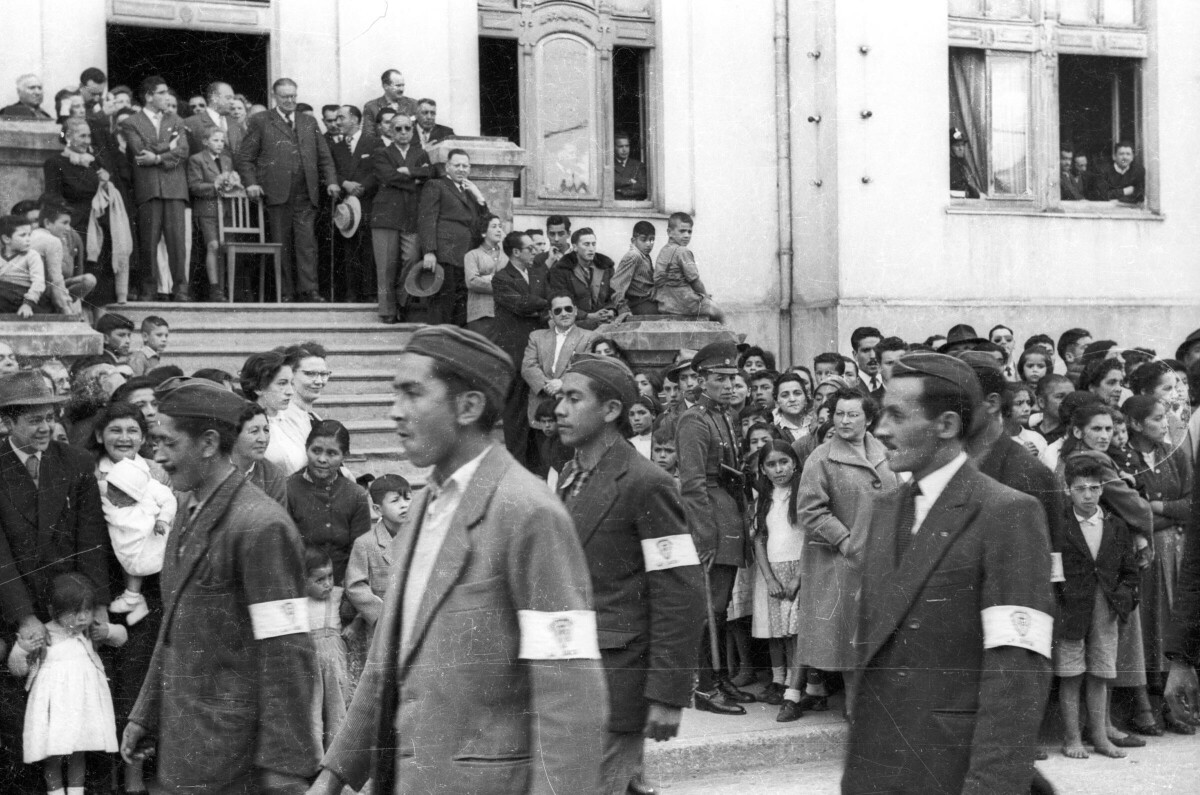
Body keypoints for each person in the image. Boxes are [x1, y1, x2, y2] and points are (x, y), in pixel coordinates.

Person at [310, 325, 607, 794]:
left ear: (468, 407)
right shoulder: (423, 509)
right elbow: (385, 665)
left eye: (412, 393)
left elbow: (570, 692)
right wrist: (333, 777)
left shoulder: (528, 513)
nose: (394, 411)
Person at [843, 352, 1053, 795]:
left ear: (947, 426)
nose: (880, 429)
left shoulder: (1007, 512)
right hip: (879, 771)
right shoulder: (883, 511)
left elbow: (1016, 672)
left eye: (897, 415)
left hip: (951, 773)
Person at [120, 376, 320, 793]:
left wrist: (286, 763)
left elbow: (288, 651)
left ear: (209, 443)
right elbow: (174, 628)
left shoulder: (261, 525)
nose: (157, 454)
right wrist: (145, 713)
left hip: (236, 756)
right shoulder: (185, 510)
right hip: (188, 744)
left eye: (168, 443)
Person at [554, 354, 704, 795]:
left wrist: (667, 694)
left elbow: (680, 593)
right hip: (572, 680)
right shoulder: (570, 476)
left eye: (573, 398)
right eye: (560, 396)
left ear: (611, 410)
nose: (559, 409)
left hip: (617, 683)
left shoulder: (646, 482)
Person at [0, 371, 109, 792]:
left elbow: (91, 539)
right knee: (23, 720)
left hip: (70, 606)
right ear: (9, 422)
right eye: (33, 420)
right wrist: (24, 617)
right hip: (15, 606)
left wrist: (94, 605)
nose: (45, 427)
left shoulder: (76, 462)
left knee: (76, 715)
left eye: (49, 417)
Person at [790, 388, 894, 722]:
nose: (844, 421)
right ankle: (855, 710)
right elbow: (810, 509)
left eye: (853, 414)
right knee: (850, 639)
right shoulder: (821, 457)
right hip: (843, 562)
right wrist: (846, 541)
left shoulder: (885, 451)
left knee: (880, 636)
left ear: (869, 419)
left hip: (885, 558)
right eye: (839, 414)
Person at [677, 341, 754, 714]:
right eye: (719, 378)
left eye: (732, 377)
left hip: (729, 512)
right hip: (711, 519)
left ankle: (720, 678)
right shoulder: (694, 420)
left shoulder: (724, 415)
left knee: (721, 606)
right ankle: (705, 689)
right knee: (711, 606)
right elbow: (692, 483)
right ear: (701, 380)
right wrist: (703, 536)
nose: (728, 384)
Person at [1053, 454, 1140, 759]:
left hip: (1105, 604)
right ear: (1068, 491)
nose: (1088, 495)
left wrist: (1125, 598)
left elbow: (1130, 570)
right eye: (1080, 489)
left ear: (1103, 488)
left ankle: (1100, 736)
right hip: (1070, 606)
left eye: (1093, 488)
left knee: (1100, 672)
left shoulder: (1115, 525)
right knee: (1071, 672)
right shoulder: (1059, 524)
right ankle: (1072, 737)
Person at [9, 572, 125, 795]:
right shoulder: (43, 634)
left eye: (87, 611)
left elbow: (121, 638)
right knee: (53, 754)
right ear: (54, 610)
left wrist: (108, 630)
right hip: (55, 707)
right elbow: (19, 669)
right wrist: (22, 649)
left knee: (78, 751)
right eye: (75, 612)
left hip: (82, 707)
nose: (82, 618)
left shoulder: (89, 631)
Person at [1124, 394, 1195, 734]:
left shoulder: (1175, 455)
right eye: (1155, 418)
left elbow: (1193, 505)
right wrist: (1153, 513)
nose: (1164, 424)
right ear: (1135, 424)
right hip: (1147, 555)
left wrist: (1157, 509)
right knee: (1149, 623)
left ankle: (1175, 705)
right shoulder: (1126, 458)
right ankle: (1147, 705)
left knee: (1174, 618)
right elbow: (1130, 510)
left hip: (1178, 550)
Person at [237, 78, 341, 303]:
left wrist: (331, 180)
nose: (290, 100)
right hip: (276, 193)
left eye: (293, 95)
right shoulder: (261, 121)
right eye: (285, 96)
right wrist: (251, 183)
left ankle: (309, 290)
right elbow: (245, 157)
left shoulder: (308, 121)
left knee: (307, 243)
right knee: (281, 243)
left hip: (306, 193)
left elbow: (324, 156)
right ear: (274, 97)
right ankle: (286, 292)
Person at [119, 76, 191, 302]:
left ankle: (181, 289)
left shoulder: (177, 120)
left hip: (175, 189)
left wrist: (158, 157)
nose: (166, 97)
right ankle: (147, 289)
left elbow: (183, 152)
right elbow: (140, 153)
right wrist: (168, 146)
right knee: (148, 242)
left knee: (177, 242)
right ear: (149, 96)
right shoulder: (132, 122)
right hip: (148, 188)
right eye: (161, 92)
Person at [749, 441, 804, 708]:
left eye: (784, 462)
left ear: (794, 463)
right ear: (763, 469)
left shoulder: (803, 493)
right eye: (771, 464)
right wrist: (770, 578)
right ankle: (782, 682)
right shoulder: (764, 499)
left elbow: (810, 538)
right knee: (779, 631)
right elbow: (759, 539)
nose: (779, 469)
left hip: (800, 569)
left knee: (797, 632)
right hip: (775, 572)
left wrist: (799, 577)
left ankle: (799, 686)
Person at [285, 420, 371, 584]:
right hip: (298, 586)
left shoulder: (356, 495)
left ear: (344, 456)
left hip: (343, 588)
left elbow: (360, 553)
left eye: (332, 453)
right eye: (316, 451)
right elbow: (283, 549)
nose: (322, 459)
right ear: (306, 449)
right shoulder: (288, 489)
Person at [492, 230, 550, 467]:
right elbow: (520, 304)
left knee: (539, 408)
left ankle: (538, 466)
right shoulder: (502, 278)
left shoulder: (537, 274)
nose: (534, 251)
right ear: (516, 252)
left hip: (538, 352)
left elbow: (545, 300)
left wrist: (538, 306)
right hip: (515, 354)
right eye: (529, 248)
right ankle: (517, 465)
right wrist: (542, 306)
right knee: (515, 412)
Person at [415, 148, 488, 325]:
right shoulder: (436, 185)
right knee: (442, 302)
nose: (461, 169)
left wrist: (479, 198)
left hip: (466, 254)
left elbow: (484, 222)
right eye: (457, 165)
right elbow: (427, 219)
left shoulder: (469, 191)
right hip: (445, 253)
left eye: (465, 166)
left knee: (461, 303)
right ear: (447, 167)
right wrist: (429, 251)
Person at [101, 454, 174, 626]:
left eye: (122, 498)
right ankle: (134, 598)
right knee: (128, 561)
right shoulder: (107, 483)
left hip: (151, 536)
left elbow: (170, 501)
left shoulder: (153, 487)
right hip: (126, 537)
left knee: (143, 564)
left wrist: (163, 519)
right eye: (112, 492)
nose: (114, 499)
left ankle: (138, 599)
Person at [371, 112, 430, 322]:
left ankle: (402, 301)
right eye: (398, 128)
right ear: (390, 131)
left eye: (407, 128)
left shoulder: (421, 153)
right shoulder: (381, 153)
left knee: (412, 258)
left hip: (412, 215)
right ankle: (387, 310)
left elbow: (431, 173)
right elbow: (387, 176)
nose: (403, 132)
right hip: (386, 215)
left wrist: (409, 172)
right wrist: (415, 178)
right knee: (386, 265)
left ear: (412, 131)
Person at [345, 474, 411, 635]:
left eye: (407, 499)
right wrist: (384, 616)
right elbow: (355, 587)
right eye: (395, 501)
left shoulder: (421, 536)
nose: (404, 506)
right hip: (384, 627)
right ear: (377, 509)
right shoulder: (366, 543)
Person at [521, 293, 596, 427]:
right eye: (558, 310)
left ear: (575, 310)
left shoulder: (590, 337)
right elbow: (528, 367)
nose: (564, 313)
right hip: (542, 407)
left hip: (572, 407)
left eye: (568, 309)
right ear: (551, 314)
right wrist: (548, 387)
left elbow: (586, 368)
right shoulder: (536, 337)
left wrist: (562, 384)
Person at [329, 104, 379, 303]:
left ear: (355, 120)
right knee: (348, 248)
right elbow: (331, 170)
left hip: (367, 202)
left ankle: (368, 293)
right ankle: (351, 294)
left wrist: (362, 187)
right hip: (346, 206)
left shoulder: (373, 143)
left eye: (341, 117)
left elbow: (378, 169)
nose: (337, 122)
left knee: (367, 248)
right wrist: (345, 183)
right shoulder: (336, 147)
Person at [303, 546, 351, 750]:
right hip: (310, 664)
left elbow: (356, 613)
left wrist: (354, 626)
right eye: (319, 580)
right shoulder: (299, 602)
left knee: (337, 710)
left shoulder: (339, 597)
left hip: (335, 665)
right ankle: (315, 757)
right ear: (302, 581)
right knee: (312, 711)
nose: (328, 584)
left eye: (330, 577)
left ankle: (335, 758)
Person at [187, 126, 240, 300]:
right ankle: (214, 287)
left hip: (225, 209)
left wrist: (232, 183)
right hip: (207, 209)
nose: (219, 144)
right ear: (205, 142)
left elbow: (230, 182)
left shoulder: (226, 159)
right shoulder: (197, 159)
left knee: (226, 247)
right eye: (215, 140)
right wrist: (215, 185)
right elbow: (194, 186)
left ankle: (227, 288)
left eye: (222, 141)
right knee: (213, 245)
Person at [240, 350, 307, 475]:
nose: (290, 391)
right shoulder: (243, 424)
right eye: (282, 383)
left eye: (291, 383)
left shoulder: (297, 418)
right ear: (258, 387)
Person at [654, 212, 724, 322]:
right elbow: (695, 281)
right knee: (717, 310)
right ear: (669, 232)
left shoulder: (663, 250)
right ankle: (728, 337)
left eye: (689, 231)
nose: (687, 235)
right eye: (682, 231)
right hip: (682, 302)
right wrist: (706, 297)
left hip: (664, 302)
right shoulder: (683, 251)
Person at [28, 203, 94, 314]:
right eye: (64, 223)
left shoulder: (34, 234)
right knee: (59, 287)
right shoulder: (52, 240)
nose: (68, 229)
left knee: (88, 279)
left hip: (37, 286)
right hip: (37, 289)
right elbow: (56, 278)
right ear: (47, 223)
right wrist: (67, 307)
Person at [549, 227, 617, 329]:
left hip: (604, 322)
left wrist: (611, 310)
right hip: (575, 323)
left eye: (593, 244)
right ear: (575, 247)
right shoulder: (561, 270)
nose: (591, 248)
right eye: (586, 244)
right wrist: (587, 316)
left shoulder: (606, 267)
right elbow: (560, 301)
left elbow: (614, 295)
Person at [232, 402, 288, 504]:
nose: (263, 439)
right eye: (254, 431)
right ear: (234, 435)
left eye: (266, 430)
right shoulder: (216, 469)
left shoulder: (273, 476)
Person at [463, 214, 505, 336]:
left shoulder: (506, 255)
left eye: (500, 226)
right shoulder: (472, 255)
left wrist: (487, 278)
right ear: (483, 232)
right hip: (480, 314)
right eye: (494, 226)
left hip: (503, 313)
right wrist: (499, 281)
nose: (499, 229)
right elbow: (472, 282)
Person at [0, 215, 47, 316]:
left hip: (24, 296)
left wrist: (28, 304)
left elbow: (38, 282)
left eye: (29, 234)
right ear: (6, 239)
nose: (28, 239)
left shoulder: (32, 255)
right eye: (23, 235)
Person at [182, 81, 243, 159]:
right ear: (214, 98)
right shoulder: (191, 123)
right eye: (228, 98)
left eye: (233, 98)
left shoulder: (236, 124)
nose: (232, 102)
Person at [610, 220, 658, 315]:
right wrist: (622, 309)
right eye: (643, 239)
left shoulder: (645, 255)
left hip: (648, 299)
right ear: (633, 240)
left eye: (652, 239)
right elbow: (617, 284)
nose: (649, 244)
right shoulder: (634, 256)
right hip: (638, 303)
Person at [361, 69, 420, 140]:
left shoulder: (414, 104)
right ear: (385, 86)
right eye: (398, 86)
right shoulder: (371, 107)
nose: (402, 89)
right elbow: (368, 137)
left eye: (403, 85)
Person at [772, 371, 812, 444]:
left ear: (806, 397)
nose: (792, 399)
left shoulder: (816, 424)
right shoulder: (774, 431)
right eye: (785, 395)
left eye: (797, 393)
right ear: (777, 402)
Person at [1034, 373, 1075, 443]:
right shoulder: (1029, 432)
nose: (1069, 401)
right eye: (1060, 396)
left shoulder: (1074, 434)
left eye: (1072, 396)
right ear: (1041, 402)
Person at [949, 127, 983, 198]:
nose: (961, 148)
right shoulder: (949, 165)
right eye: (957, 145)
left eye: (962, 145)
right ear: (950, 148)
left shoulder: (962, 162)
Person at [614, 131, 648, 200]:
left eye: (627, 146)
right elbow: (610, 183)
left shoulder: (638, 165)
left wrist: (621, 191)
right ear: (614, 147)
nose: (624, 150)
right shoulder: (610, 165)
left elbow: (643, 188)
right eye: (620, 146)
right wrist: (629, 181)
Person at [850, 326, 884, 398]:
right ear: (855, 355)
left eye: (877, 349)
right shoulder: (850, 386)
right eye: (866, 350)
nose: (873, 356)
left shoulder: (889, 383)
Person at [628, 394, 657, 459]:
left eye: (641, 413)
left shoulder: (661, 442)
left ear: (653, 415)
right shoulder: (629, 443)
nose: (636, 418)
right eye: (631, 414)